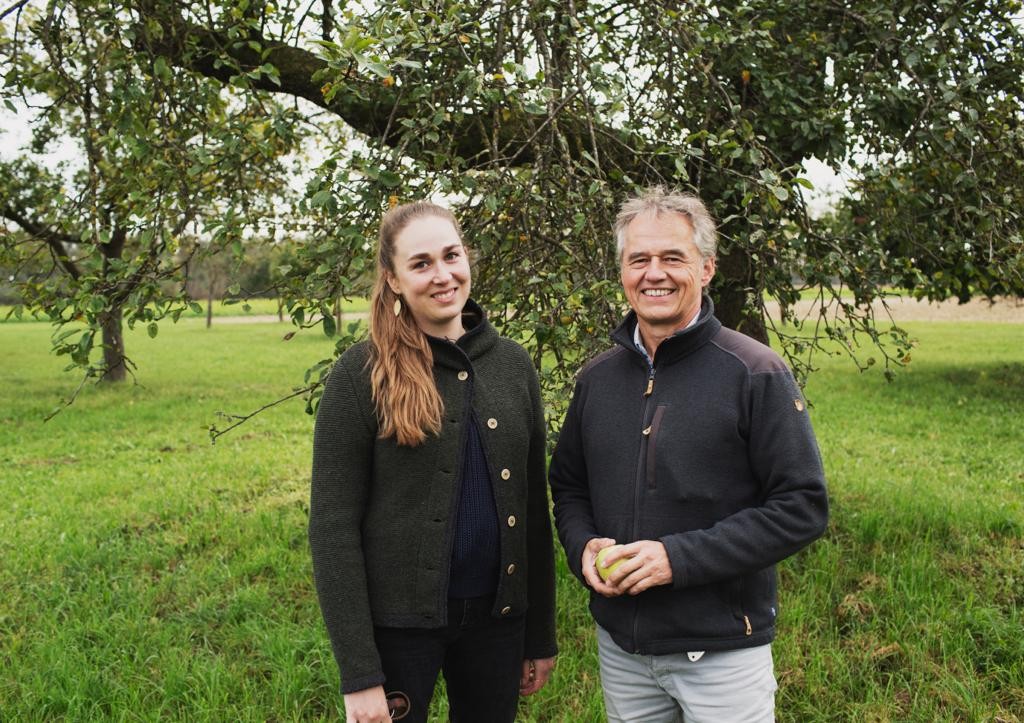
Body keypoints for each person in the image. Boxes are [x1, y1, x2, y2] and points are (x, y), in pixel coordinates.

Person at [548, 187, 828, 722]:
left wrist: (675, 560)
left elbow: (802, 506)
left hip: (722, 652)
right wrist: (583, 546)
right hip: (624, 651)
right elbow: (569, 486)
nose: (655, 273)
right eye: (639, 259)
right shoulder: (597, 379)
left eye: (673, 257)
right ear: (624, 272)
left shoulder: (754, 372)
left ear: (706, 269)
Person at [310, 201, 558, 723]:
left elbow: (534, 508)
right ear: (394, 280)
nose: (443, 275)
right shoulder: (361, 376)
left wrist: (538, 634)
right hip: (399, 631)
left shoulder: (513, 365)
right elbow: (333, 528)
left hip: (498, 621)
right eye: (421, 264)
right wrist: (359, 673)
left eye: (452, 255)